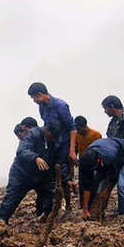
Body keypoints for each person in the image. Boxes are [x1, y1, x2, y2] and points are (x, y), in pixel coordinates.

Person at [0, 121, 62, 225]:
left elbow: (58, 159)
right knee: (12, 198)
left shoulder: (54, 140)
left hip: (41, 175)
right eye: (52, 136)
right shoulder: (32, 134)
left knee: (50, 195)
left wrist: (66, 177)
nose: (54, 139)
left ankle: (44, 218)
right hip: (22, 174)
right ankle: (0, 221)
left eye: (55, 137)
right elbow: (22, 151)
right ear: (47, 130)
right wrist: (35, 157)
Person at [27, 82, 76, 218]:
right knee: (48, 171)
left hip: (65, 143)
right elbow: (46, 127)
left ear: (40, 95)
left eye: (34, 98)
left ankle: (68, 206)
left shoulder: (61, 106)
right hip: (53, 143)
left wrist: (71, 151)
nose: (34, 101)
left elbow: (72, 128)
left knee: (62, 173)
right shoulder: (42, 108)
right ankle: (53, 206)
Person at [79, 138, 124, 220]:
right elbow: (86, 184)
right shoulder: (85, 160)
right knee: (96, 187)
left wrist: (106, 191)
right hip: (108, 154)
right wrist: (85, 207)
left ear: (98, 160)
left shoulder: (110, 156)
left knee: (122, 184)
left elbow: (114, 175)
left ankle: (123, 214)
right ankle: (96, 212)